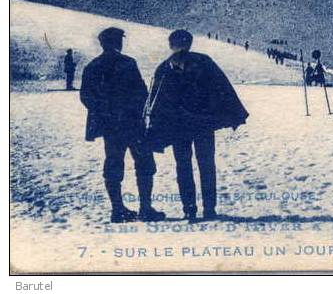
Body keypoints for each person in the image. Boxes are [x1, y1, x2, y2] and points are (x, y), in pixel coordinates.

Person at [145, 29, 249, 221]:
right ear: (190, 43)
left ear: (171, 44)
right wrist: (232, 114)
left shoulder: (164, 68)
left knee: (183, 165)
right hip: (203, 124)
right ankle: (209, 209)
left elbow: (156, 101)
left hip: (178, 127)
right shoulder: (204, 62)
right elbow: (223, 89)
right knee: (207, 164)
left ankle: (189, 209)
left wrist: (156, 128)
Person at [79, 27, 165, 223]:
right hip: (133, 123)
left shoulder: (93, 66)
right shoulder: (127, 63)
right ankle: (145, 208)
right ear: (117, 42)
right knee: (144, 163)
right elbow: (142, 92)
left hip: (110, 127)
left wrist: (105, 112)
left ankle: (118, 210)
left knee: (113, 164)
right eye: (119, 39)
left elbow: (86, 97)